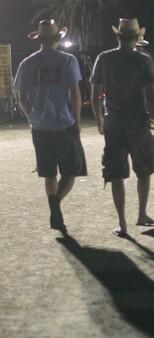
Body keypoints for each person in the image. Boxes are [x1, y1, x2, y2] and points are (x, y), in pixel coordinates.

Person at [90, 18, 154, 237]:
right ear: (136, 38)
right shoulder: (143, 60)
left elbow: (95, 93)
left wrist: (99, 120)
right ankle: (142, 214)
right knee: (144, 170)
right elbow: (152, 97)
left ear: (118, 37)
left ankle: (122, 223)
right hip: (139, 123)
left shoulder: (104, 59)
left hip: (113, 123)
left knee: (115, 174)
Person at [14, 19, 87, 230]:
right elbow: (75, 94)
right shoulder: (67, 60)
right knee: (71, 170)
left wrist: (32, 116)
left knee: (48, 173)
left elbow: (22, 97)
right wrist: (77, 121)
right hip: (64, 124)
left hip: (40, 127)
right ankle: (55, 205)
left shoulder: (27, 63)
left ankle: (53, 207)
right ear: (57, 38)